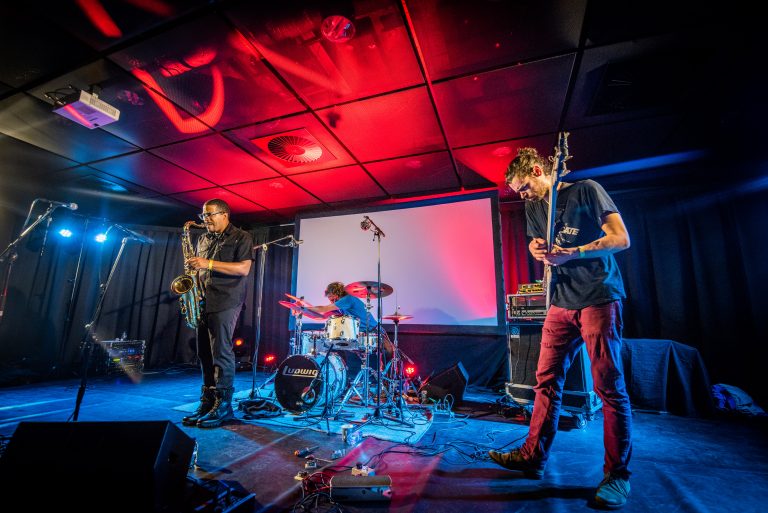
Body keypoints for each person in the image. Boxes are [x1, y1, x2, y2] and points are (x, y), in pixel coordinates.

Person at [489, 147, 633, 509]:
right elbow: (537, 241)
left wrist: (576, 252)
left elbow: (620, 238)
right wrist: (537, 247)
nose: (522, 195)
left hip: (598, 297)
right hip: (560, 301)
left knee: (608, 387)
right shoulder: (535, 205)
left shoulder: (587, 189)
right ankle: (532, 457)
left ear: (538, 170)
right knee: (545, 381)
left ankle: (617, 476)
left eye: (524, 187)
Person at [182, 199, 254, 428]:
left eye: (210, 215)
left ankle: (224, 408)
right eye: (204, 215)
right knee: (204, 353)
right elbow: (200, 268)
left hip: (227, 301)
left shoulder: (242, 237)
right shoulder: (203, 238)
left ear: (225, 214)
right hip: (203, 300)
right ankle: (208, 402)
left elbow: (243, 268)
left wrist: (208, 263)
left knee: (221, 353)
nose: (206, 220)